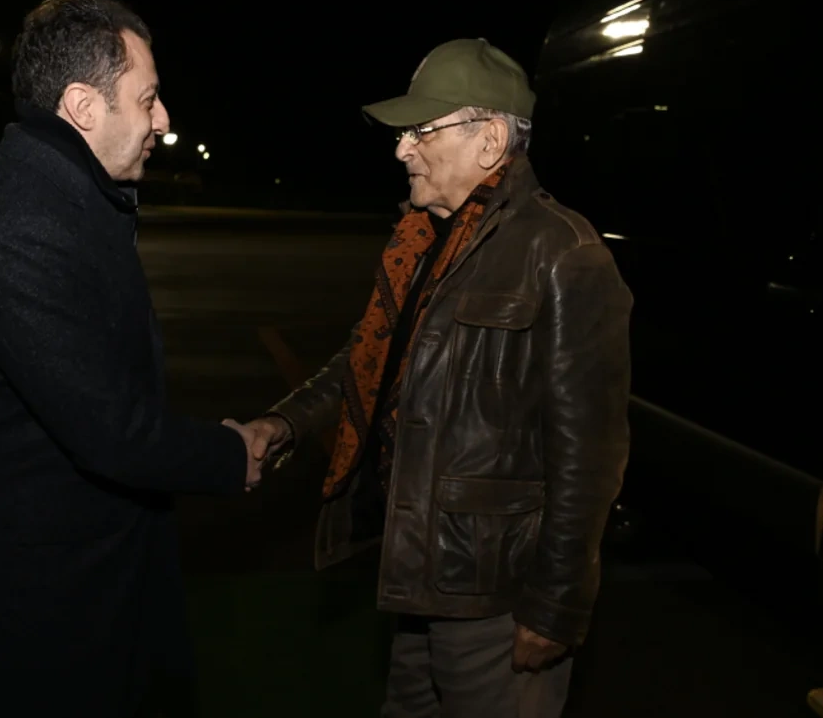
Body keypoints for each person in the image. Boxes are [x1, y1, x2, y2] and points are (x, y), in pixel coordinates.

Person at [235, 38, 633, 717]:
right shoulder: (425, 240)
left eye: (423, 130)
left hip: (496, 595)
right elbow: (370, 358)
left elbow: (589, 456)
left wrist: (557, 603)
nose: (402, 149)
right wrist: (284, 422)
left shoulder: (564, 253)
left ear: (490, 140)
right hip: (420, 576)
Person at [0, 0, 265, 718]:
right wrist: (232, 454)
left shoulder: (63, 194)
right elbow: (111, 429)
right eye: (148, 99)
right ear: (83, 106)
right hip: (35, 611)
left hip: (80, 583)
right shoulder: (22, 224)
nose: (163, 120)